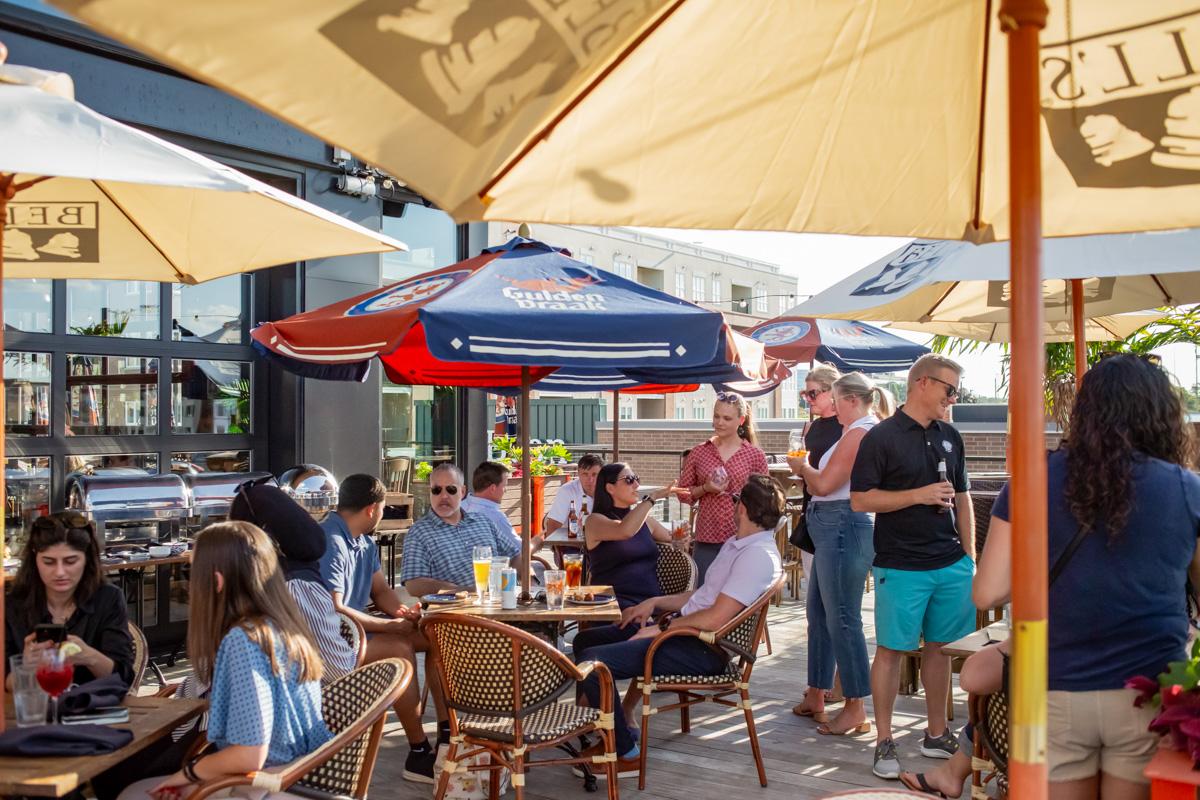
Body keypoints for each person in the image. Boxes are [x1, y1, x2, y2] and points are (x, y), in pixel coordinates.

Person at [974, 354, 1200, 800]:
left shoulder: (1031, 481)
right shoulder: (1187, 488)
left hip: (1048, 686)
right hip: (1147, 688)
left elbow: (987, 593)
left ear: (1085, 413)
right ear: (1163, 416)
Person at [574, 474, 784, 777]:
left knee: (592, 664)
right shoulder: (739, 545)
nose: (733, 505)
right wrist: (654, 603)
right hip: (688, 635)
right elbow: (703, 596)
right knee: (586, 643)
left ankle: (624, 752)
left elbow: (714, 618)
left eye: (736, 500)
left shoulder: (757, 557)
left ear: (743, 508)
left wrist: (660, 629)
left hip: (703, 648)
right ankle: (599, 722)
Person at [119, 522, 332, 800]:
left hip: (265, 784)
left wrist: (190, 774)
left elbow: (249, 754)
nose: (189, 585)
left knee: (132, 793)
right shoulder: (282, 627)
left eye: (192, 573)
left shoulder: (243, 640)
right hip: (302, 776)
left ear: (217, 581)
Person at [849, 353, 975, 780]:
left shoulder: (951, 436)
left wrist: (970, 557)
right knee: (890, 651)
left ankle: (936, 733)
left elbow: (963, 497)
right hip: (901, 564)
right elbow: (860, 500)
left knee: (941, 648)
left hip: (951, 564)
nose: (953, 398)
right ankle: (884, 740)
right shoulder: (881, 437)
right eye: (949, 390)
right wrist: (918, 495)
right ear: (923, 383)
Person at [320, 473, 446, 784]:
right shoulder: (331, 541)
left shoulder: (363, 542)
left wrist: (402, 613)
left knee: (435, 634)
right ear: (372, 509)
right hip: (328, 642)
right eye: (383, 508)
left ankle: (447, 732)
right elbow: (335, 609)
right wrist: (392, 627)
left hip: (355, 632)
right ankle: (419, 752)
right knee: (399, 648)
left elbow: (381, 591)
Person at [789, 372, 892, 736]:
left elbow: (824, 484)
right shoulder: (855, 430)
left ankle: (855, 706)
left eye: (834, 399)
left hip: (842, 525)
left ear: (850, 400)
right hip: (832, 525)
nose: (831, 406)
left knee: (843, 617)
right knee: (819, 613)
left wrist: (802, 467)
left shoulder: (861, 432)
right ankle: (818, 692)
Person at [230, 479, 357, 683]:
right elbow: (340, 668)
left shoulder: (293, 586)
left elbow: (338, 671)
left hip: (297, 697)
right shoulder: (291, 586)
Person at [5, 511, 133, 687]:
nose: (60, 572)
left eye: (70, 561)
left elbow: (124, 678)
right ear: (34, 559)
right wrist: (27, 667)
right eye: (48, 562)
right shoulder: (12, 605)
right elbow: (5, 682)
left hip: (93, 702)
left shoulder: (108, 598)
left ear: (87, 558)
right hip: (36, 703)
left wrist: (88, 656)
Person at [679, 391, 770, 581]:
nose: (719, 422)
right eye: (716, 416)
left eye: (727, 418)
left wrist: (740, 497)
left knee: (739, 592)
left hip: (742, 538)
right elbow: (682, 493)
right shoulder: (699, 452)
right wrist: (706, 488)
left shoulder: (755, 455)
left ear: (741, 420)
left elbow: (765, 500)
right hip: (707, 538)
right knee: (703, 592)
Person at [899, 641, 1009, 798]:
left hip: (1022, 770)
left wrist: (1012, 641)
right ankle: (952, 772)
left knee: (993, 696)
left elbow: (970, 676)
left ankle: (952, 773)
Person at [400, 463, 522, 594]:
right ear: (430, 492)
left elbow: (515, 556)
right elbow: (413, 584)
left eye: (451, 489)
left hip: (498, 601)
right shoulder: (419, 533)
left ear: (462, 492)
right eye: (437, 490)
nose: (443, 496)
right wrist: (466, 591)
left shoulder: (483, 521)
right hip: (454, 605)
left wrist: (520, 580)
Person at [583, 462, 676, 610]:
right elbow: (624, 530)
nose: (637, 485)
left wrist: (682, 538)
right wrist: (651, 498)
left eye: (636, 478)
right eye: (629, 480)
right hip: (611, 603)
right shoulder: (594, 521)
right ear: (610, 488)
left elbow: (673, 538)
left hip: (650, 603)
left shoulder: (646, 521)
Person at [793, 364, 844, 583]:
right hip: (811, 511)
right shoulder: (811, 427)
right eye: (804, 394)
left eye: (812, 393)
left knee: (832, 589)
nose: (808, 399)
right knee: (813, 588)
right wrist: (800, 470)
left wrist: (804, 469)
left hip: (835, 517)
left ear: (832, 391)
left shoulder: (846, 427)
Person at [545, 453, 604, 535]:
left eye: (594, 474)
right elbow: (553, 526)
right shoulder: (567, 490)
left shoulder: (609, 489)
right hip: (571, 540)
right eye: (585, 474)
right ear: (578, 473)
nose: (590, 480)